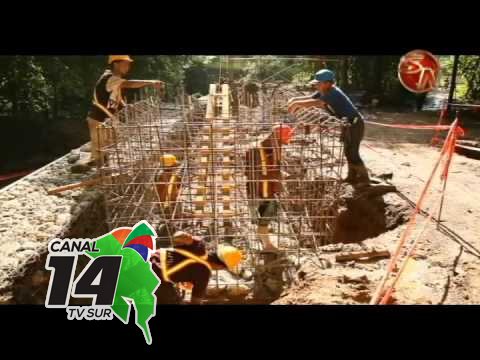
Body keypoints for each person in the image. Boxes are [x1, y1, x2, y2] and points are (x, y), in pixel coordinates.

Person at [287, 69, 369, 184]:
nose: (316, 85)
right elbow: (311, 98)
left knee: (353, 152)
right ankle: (352, 177)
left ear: (328, 83)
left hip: (355, 124)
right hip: (347, 124)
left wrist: (296, 104)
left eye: (318, 83)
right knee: (347, 151)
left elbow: (317, 103)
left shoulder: (333, 93)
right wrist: (294, 100)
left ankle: (364, 179)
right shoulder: (324, 91)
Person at [86, 55, 165, 166]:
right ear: (116, 64)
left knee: (107, 146)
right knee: (101, 151)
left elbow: (115, 97)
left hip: (104, 119)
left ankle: (98, 167)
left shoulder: (113, 78)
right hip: (98, 119)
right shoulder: (110, 78)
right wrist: (150, 82)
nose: (128, 67)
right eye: (125, 64)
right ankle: (96, 174)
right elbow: (129, 84)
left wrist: (125, 106)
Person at [150, 231, 242, 304]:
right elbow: (195, 301)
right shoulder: (204, 275)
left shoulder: (199, 246)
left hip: (148, 258)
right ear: (220, 266)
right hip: (153, 277)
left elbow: (177, 236)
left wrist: (185, 237)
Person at [245, 124, 294, 251]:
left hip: (268, 189)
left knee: (267, 213)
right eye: (282, 141)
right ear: (276, 136)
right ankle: (267, 244)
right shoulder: (256, 150)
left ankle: (264, 234)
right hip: (261, 190)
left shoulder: (274, 147)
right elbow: (251, 174)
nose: (283, 144)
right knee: (269, 212)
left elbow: (274, 168)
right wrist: (275, 178)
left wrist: (279, 176)